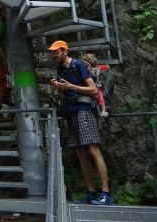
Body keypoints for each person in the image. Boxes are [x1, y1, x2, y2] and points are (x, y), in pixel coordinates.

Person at [49, 40, 114, 205]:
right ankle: (91, 191)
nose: (53, 55)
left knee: (93, 149)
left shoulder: (78, 65)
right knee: (80, 152)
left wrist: (72, 86)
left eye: (56, 52)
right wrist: (59, 87)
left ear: (64, 51)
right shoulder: (60, 70)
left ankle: (106, 193)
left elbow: (93, 90)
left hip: (84, 110)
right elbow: (67, 90)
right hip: (71, 112)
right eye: (52, 52)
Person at [82, 52, 110, 118]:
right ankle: (104, 111)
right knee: (100, 97)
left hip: (87, 87)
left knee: (98, 97)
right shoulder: (98, 68)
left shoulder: (83, 69)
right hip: (96, 86)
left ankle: (100, 111)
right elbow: (107, 66)